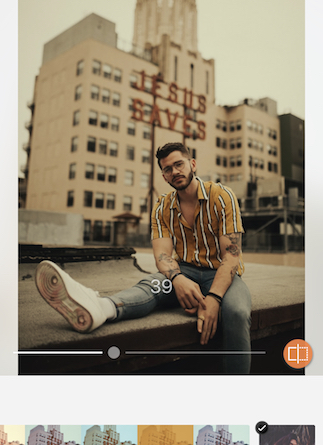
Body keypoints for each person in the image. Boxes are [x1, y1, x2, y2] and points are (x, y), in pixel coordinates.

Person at [35, 142, 252, 374]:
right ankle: (101, 308)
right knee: (152, 285)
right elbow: (162, 256)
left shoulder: (221, 196)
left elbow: (231, 257)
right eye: (167, 169)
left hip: (221, 275)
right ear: (164, 175)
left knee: (237, 313)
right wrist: (177, 279)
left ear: (193, 164)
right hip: (185, 271)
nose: (174, 172)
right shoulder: (162, 206)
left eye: (179, 164)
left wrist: (214, 299)